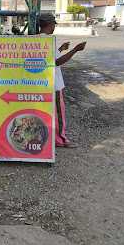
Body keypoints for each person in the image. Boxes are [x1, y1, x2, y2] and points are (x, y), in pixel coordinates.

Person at [38, 14, 86, 148]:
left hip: (43, 83)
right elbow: (56, 62)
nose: (54, 27)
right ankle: (61, 140)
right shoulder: (49, 40)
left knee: (48, 113)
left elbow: (48, 58)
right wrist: (75, 50)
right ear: (49, 24)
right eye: (54, 24)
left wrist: (61, 49)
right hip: (55, 84)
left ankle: (52, 136)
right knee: (59, 113)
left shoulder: (37, 40)